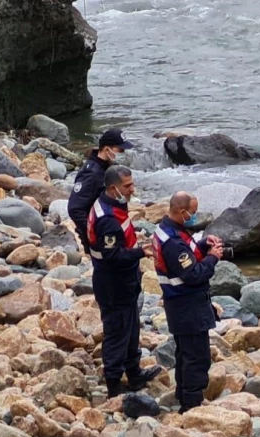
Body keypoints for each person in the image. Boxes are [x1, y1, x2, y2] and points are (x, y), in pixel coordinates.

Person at [89, 165, 160, 397]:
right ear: (113, 188)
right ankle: (113, 385)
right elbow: (112, 256)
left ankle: (135, 374)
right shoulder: (107, 218)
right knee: (117, 332)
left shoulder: (113, 206)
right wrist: (140, 252)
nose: (132, 189)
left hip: (124, 280)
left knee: (130, 330)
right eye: (127, 186)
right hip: (114, 283)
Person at [155, 191, 224, 412]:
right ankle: (192, 404)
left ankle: (183, 393)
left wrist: (203, 246)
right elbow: (193, 274)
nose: (194, 216)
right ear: (182, 211)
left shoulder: (170, 230)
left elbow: (187, 257)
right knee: (197, 356)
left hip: (179, 304)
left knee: (184, 351)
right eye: (192, 213)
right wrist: (213, 257)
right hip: (187, 304)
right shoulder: (173, 242)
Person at [68, 128, 134, 250]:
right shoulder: (91, 174)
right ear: (106, 149)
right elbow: (75, 209)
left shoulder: (110, 167)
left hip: (114, 228)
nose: (123, 153)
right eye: (120, 150)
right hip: (102, 238)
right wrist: (93, 234)